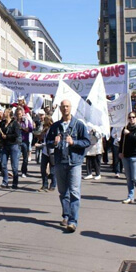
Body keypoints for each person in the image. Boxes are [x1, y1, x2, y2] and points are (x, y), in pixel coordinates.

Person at [46, 99, 90, 233]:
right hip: (60, 161)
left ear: (71, 108)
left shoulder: (79, 125)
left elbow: (86, 141)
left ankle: (73, 221)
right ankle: (66, 214)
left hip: (74, 162)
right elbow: (47, 142)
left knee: (74, 191)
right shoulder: (55, 126)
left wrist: (74, 142)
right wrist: (54, 142)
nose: (65, 109)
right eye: (63, 107)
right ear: (60, 109)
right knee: (63, 191)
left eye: (67, 106)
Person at [119, 112, 136, 204]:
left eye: (133, 117)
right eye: (130, 117)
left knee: (135, 177)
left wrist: (129, 134)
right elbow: (122, 142)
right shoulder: (125, 128)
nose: (131, 119)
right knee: (129, 178)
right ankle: (130, 196)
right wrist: (120, 152)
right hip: (126, 156)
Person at [0, 108, 21, 189]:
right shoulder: (2, 123)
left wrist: (7, 136)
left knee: (14, 166)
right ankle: (5, 181)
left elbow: (16, 135)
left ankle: (15, 183)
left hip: (13, 146)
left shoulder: (15, 124)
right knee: (3, 164)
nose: (4, 113)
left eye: (5, 112)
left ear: (9, 114)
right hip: (5, 146)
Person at [36, 116, 56, 192]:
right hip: (45, 152)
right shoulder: (45, 130)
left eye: (45, 121)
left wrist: (40, 145)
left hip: (52, 152)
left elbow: (50, 142)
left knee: (53, 170)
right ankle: (44, 184)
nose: (44, 122)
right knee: (43, 169)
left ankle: (53, 184)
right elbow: (43, 138)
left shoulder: (53, 129)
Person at [16, 106, 33, 178]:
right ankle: (15, 171)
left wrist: (23, 128)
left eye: (19, 114)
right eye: (17, 114)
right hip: (16, 141)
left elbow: (31, 129)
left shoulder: (26, 121)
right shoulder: (14, 121)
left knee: (25, 158)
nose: (18, 115)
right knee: (16, 157)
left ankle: (24, 171)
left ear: (22, 113)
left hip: (24, 141)